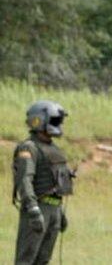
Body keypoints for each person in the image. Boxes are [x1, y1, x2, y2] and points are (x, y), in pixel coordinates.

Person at [13, 101, 73, 265]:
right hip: (38, 208)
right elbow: (25, 179)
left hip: (53, 210)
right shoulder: (29, 147)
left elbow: (54, 184)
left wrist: (59, 213)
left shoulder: (54, 149)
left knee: (43, 260)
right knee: (26, 259)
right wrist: (32, 208)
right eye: (54, 121)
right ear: (38, 120)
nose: (58, 125)